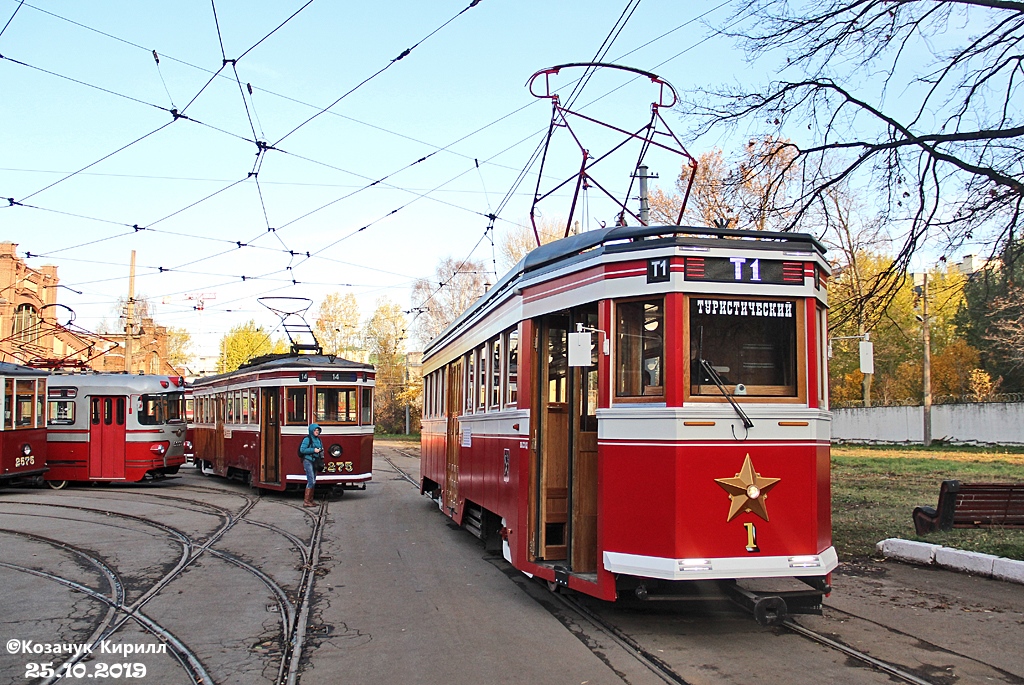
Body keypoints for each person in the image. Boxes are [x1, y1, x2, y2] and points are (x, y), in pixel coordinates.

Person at [299, 423, 322, 507]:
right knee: (311, 480)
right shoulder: (307, 439)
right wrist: (313, 450)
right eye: (315, 430)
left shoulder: (318, 440)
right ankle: (306, 501)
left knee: (313, 481)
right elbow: (302, 450)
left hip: (315, 461)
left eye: (318, 430)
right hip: (308, 460)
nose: (317, 432)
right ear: (311, 431)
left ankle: (310, 500)